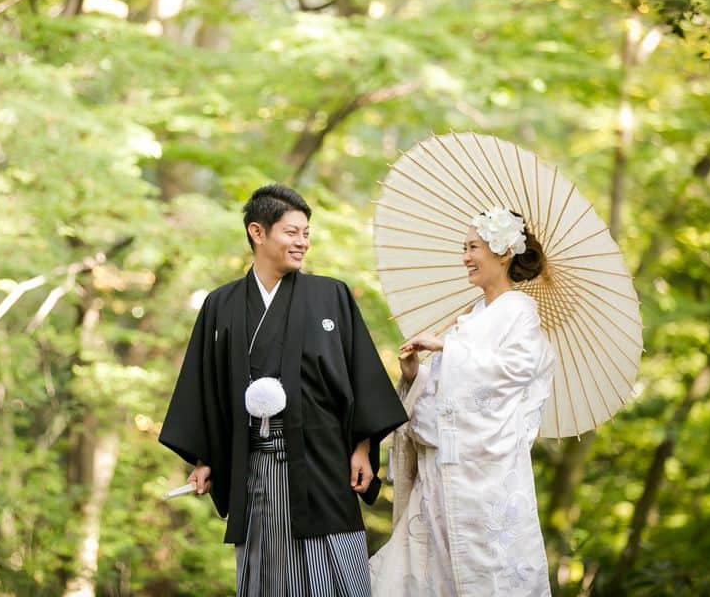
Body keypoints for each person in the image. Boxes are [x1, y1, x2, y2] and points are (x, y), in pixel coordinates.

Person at [160, 184, 407, 596]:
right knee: (267, 570)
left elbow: (359, 375)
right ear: (258, 232)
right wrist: (206, 459)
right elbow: (206, 389)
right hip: (255, 465)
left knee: (337, 568)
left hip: (324, 462)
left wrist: (362, 446)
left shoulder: (331, 295)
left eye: (306, 233)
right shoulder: (221, 305)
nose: (302, 242)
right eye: (292, 232)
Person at [369, 207, 555, 597]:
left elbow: (515, 371)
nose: (465, 257)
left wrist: (449, 349)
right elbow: (441, 394)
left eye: (472, 247)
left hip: (483, 477)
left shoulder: (519, 310)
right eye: (464, 248)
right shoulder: (472, 315)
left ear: (503, 252)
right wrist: (414, 375)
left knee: (486, 575)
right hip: (441, 470)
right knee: (423, 573)